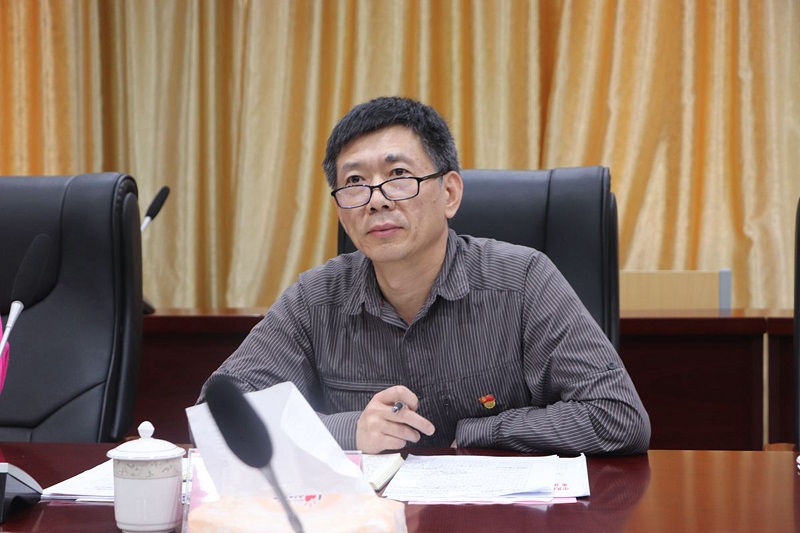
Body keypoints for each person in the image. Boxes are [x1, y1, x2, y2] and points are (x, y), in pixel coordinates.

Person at [198, 96, 651, 455]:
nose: (376, 199)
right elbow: (216, 420)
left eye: (398, 174)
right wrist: (350, 430)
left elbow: (617, 416)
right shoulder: (314, 299)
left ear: (449, 193)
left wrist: (477, 432)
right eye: (354, 182)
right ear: (340, 209)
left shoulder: (523, 280)